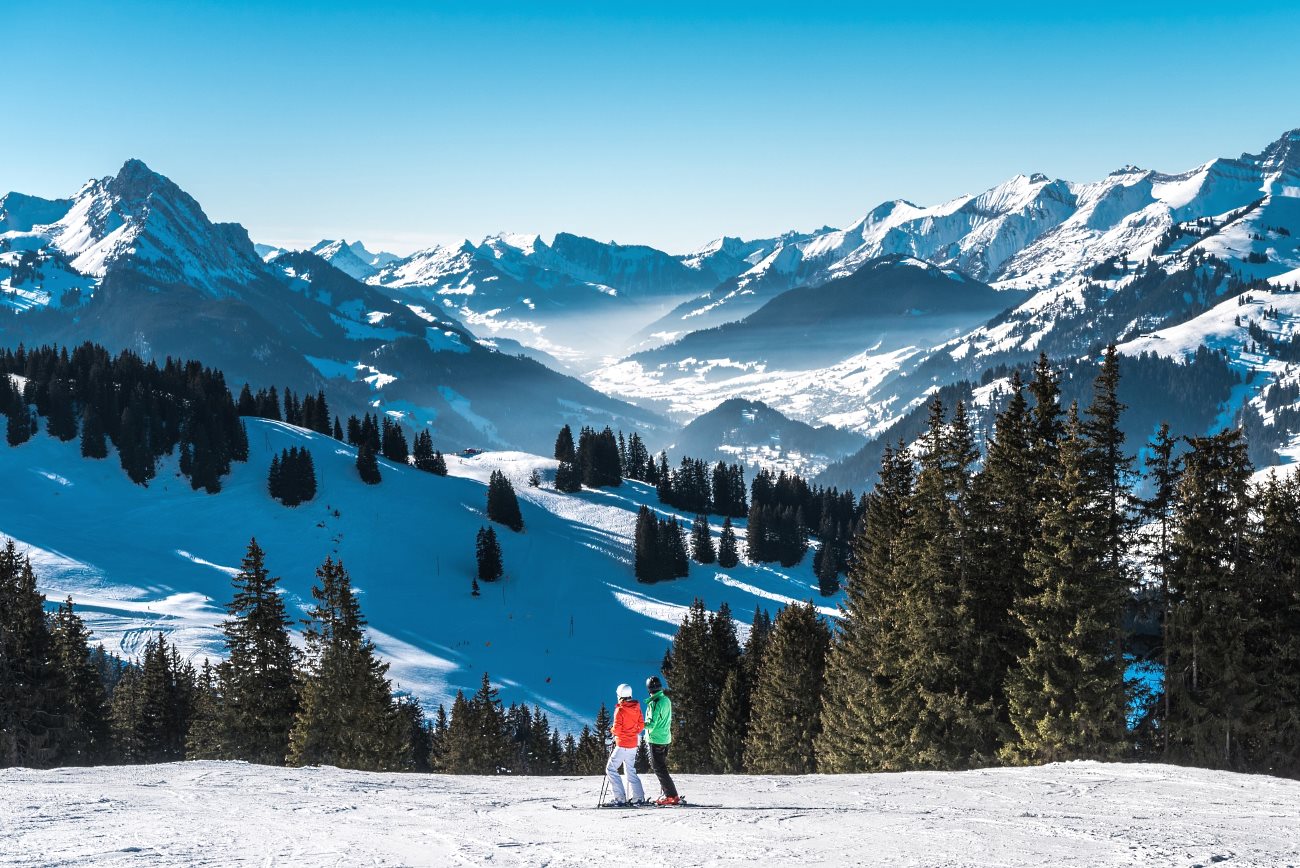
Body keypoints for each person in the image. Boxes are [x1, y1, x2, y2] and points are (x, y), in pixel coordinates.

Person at [604, 683, 646, 807]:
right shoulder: (636, 707)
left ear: (619, 695)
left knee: (610, 769)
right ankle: (639, 797)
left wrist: (611, 731)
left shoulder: (620, 710)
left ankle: (620, 798)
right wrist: (633, 732)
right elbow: (641, 725)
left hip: (622, 744)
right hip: (633, 744)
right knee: (630, 771)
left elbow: (617, 729)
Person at [644, 675, 680, 805]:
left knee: (659, 768)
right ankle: (668, 794)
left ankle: (671, 795)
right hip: (665, 738)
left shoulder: (654, 703)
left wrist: (637, 724)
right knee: (661, 767)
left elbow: (651, 724)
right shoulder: (666, 700)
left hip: (655, 739)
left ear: (649, 689)